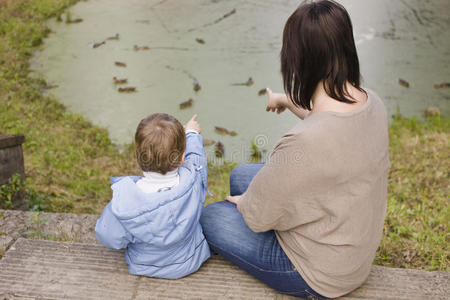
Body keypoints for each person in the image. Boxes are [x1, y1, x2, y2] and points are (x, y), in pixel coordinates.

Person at [200, 1, 389, 299]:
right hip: (353, 249)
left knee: (211, 217)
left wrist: (247, 202)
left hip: (318, 274)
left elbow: (258, 219)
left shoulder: (303, 142)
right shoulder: (373, 103)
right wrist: (287, 100)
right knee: (241, 174)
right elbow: (328, 121)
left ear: (298, 59)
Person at [95, 113, 210, 279]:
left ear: (137, 156)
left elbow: (108, 237)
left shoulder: (125, 204)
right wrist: (191, 133)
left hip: (145, 266)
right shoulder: (193, 178)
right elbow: (197, 158)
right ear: (182, 158)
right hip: (190, 259)